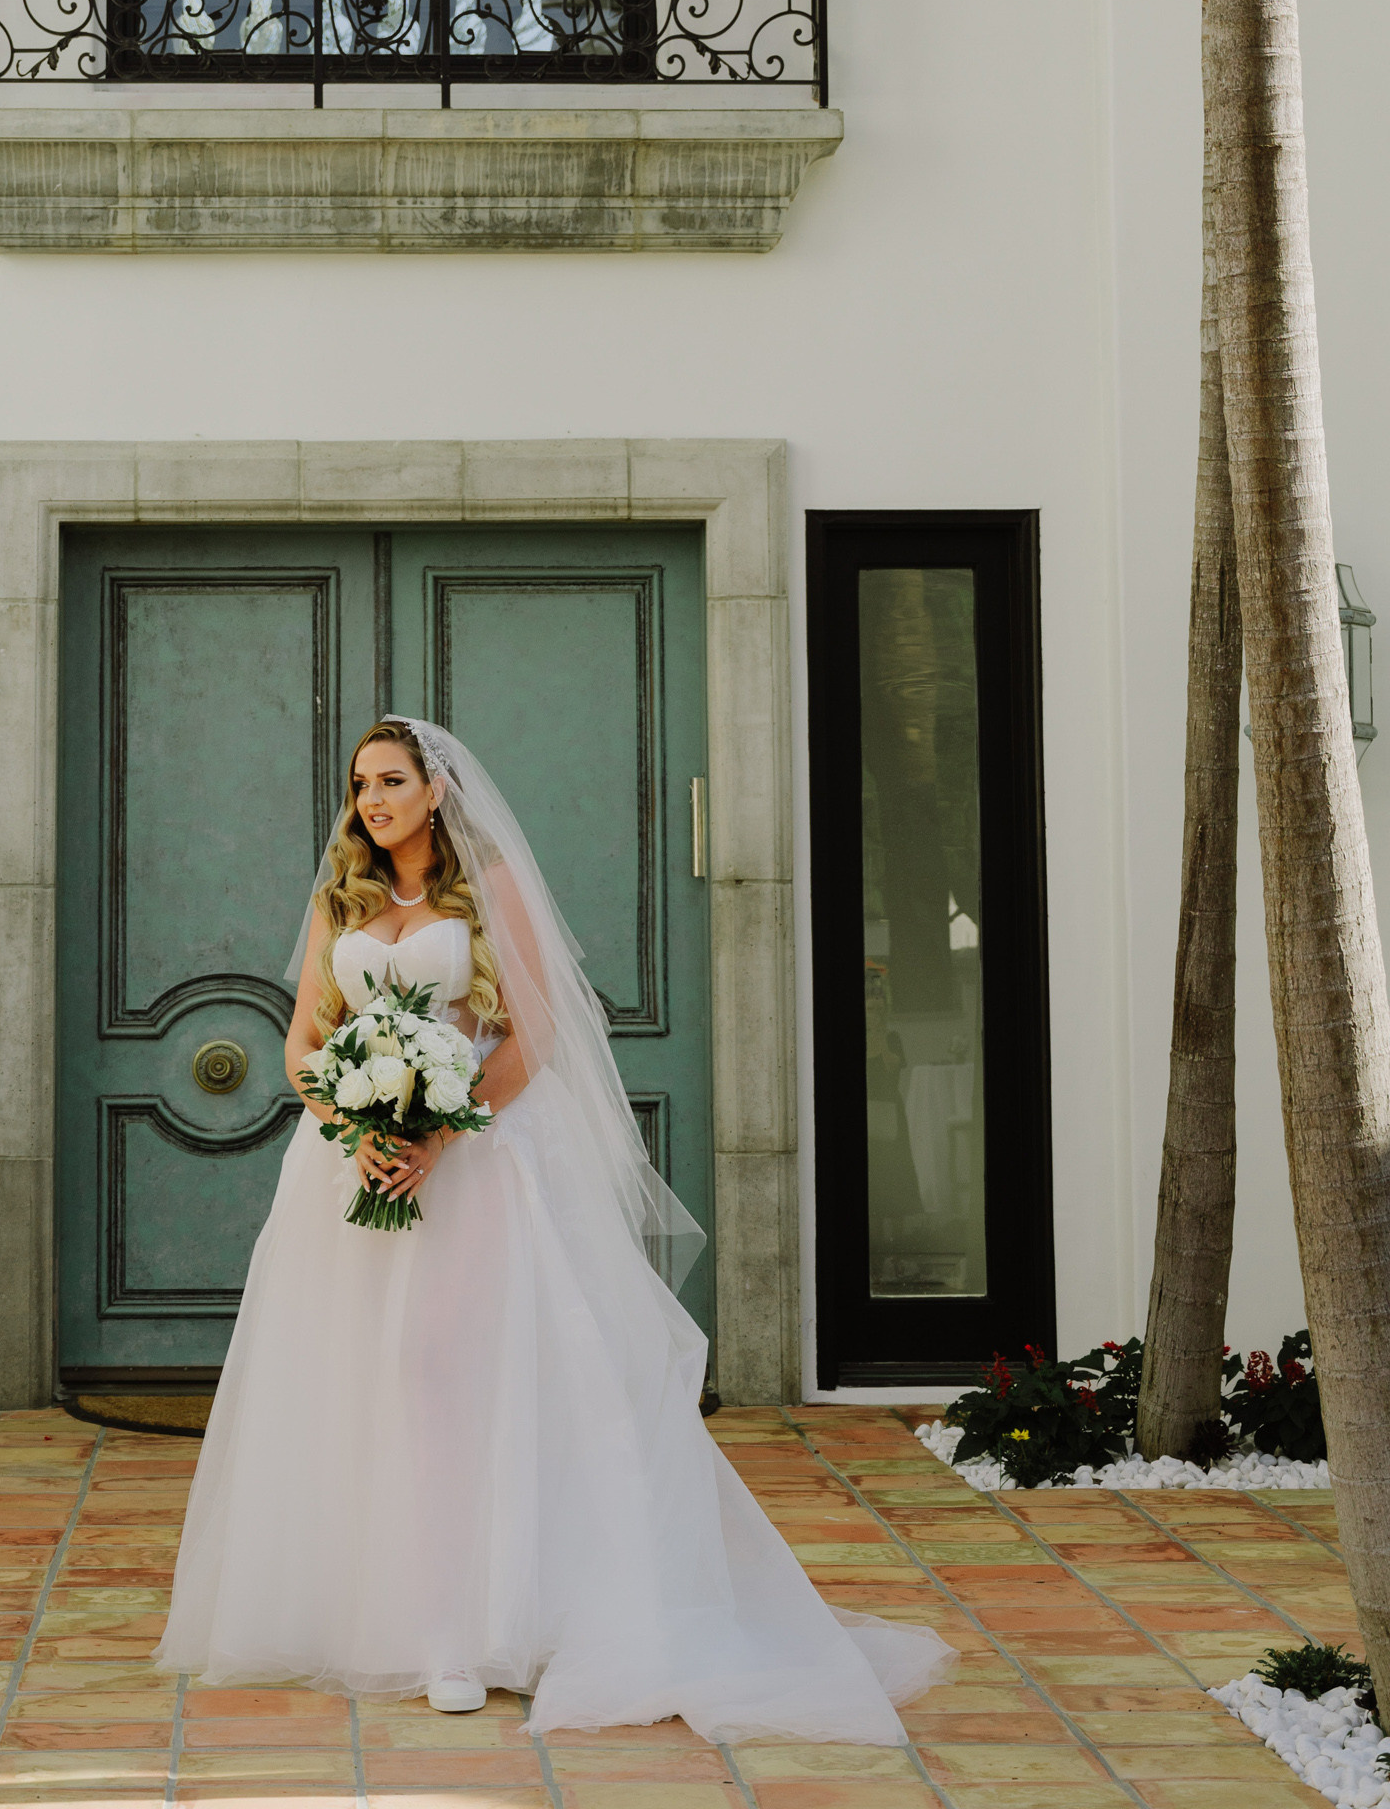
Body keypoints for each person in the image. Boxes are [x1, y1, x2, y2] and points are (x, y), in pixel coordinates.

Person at [156, 716, 957, 1743]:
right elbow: (305, 1036)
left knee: (454, 1367)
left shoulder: (486, 889)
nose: (371, 800)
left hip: (481, 1163)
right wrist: (352, 1122)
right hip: (352, 1169)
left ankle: (480, 1627)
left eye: (391, 781)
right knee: (367, 1373)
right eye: (361, 785)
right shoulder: (339, 898)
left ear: (435, 789)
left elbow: (528, 1032)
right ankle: (391, 1617)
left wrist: (436, 1134)